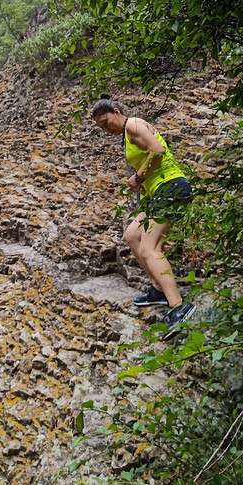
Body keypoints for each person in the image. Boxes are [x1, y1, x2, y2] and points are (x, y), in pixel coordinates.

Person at [92, 96, 196, 341]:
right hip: (157, 193)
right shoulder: (129, 132)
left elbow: (158, 150)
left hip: (169, 186)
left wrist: (138, 177)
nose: (107, 130)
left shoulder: (133, 125)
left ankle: (179, 306)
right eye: (101, 128)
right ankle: (158, 288)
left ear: (116, 112)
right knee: (132, 235)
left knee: (151, 249)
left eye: (107, 122)